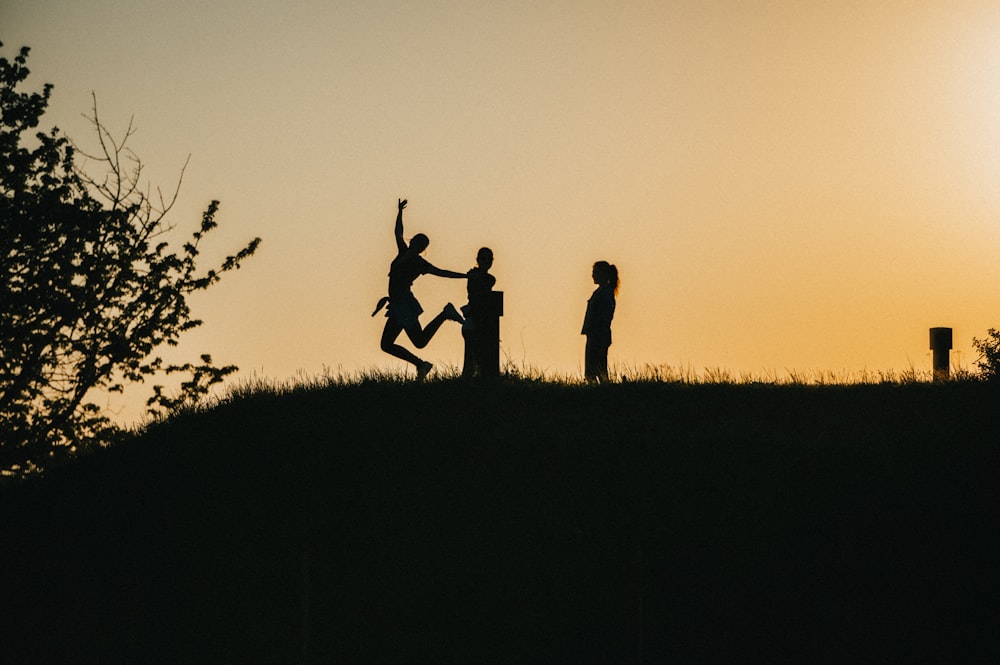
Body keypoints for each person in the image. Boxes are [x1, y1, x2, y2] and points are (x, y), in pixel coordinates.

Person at [373, 198, 466, 380]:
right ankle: (422, 362)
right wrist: (400, 212)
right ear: (412, 241)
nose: (414, 243)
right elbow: (398, 233)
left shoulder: (419, 263)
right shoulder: (402, 251)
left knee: (411, 342)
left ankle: (444, 317)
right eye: (415, 240)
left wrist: (466, 276)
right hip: (398, 304)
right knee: (410, 342)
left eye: (419, 244)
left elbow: (442, 272)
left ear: (421, 248)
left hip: (404, 304)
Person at [461, 247, 497, 378]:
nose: (487, 261)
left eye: (489, 259)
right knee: (472, 359)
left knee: (480, 359)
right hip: (474, 321)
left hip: (483, 321)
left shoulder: (486, 278)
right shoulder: (476, 277)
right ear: (478, 260)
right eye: (484, 258)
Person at [581, 261, 619, 383]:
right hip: (596, 335)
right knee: (595, 369)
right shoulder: (603, 292)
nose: (593, 275)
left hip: (598, 335)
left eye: (595, 272)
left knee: (597, 370)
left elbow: (604, 316)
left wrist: (595, 331)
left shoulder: (605, 293)